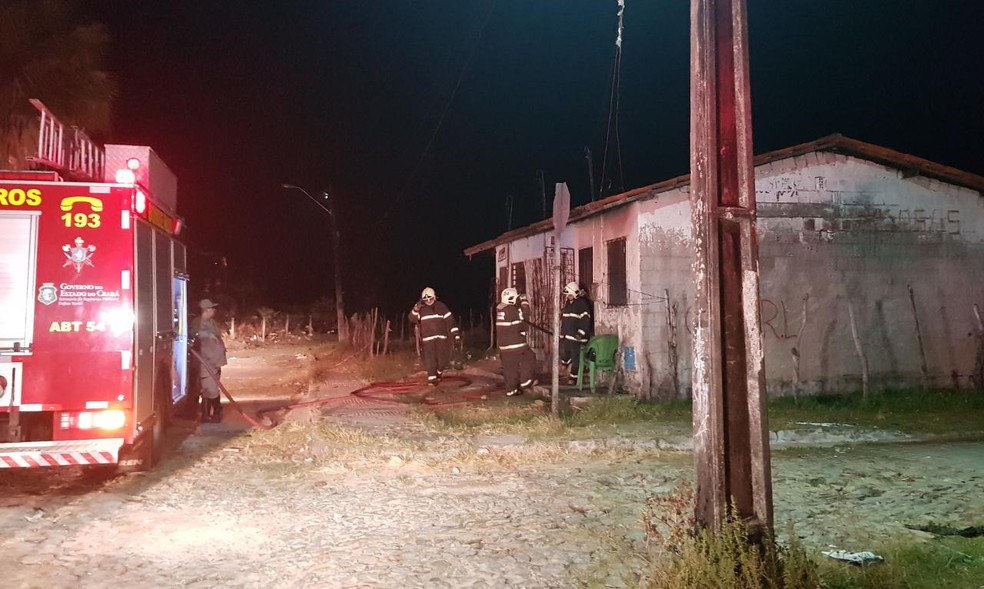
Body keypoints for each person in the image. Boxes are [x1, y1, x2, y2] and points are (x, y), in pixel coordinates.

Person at [409, 287, 459, 386]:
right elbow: (412, 318)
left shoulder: (441, 307)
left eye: (430, 299)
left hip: (442, 338)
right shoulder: (421, 309)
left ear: (434, 297)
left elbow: (450, 321)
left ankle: (439, 372)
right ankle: (432, 379)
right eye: (426, 300)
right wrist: (415, 309)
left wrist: (455, 334)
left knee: (442, 360)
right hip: (428, 339)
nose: (428, 301)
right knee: (430, 359)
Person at [191, 298, 227, 422]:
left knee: (211, 387)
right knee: (210, 389)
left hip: (215, 362)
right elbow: (194, 336)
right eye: (212, 308)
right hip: (206, 363)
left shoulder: (211, 322)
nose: (214, 310)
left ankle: (209, 414)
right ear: (206, 310)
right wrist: (207, 335)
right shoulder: (198, 323)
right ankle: (214, 412)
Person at [495, 287, 536, 397]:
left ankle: (511, 391)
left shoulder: (500, 310)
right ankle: (525, 382)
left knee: (509, 369)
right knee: (530, 357)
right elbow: (524, 326)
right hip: (516, 345)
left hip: (504, 347)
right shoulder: (512, 310)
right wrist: (524, 304)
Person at [560, 281, 593, 384]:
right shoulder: (568, 304)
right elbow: (565, 320)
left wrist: (580, 333)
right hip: (569, 337)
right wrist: (562, 334)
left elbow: (586, 319)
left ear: (575, 293)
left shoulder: (582, 303)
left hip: (578, 338)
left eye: (569, 295)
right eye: (567, 295)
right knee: (565, 353)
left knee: (576, 357)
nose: (568, 297)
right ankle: (565, 370)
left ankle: (573, 378)